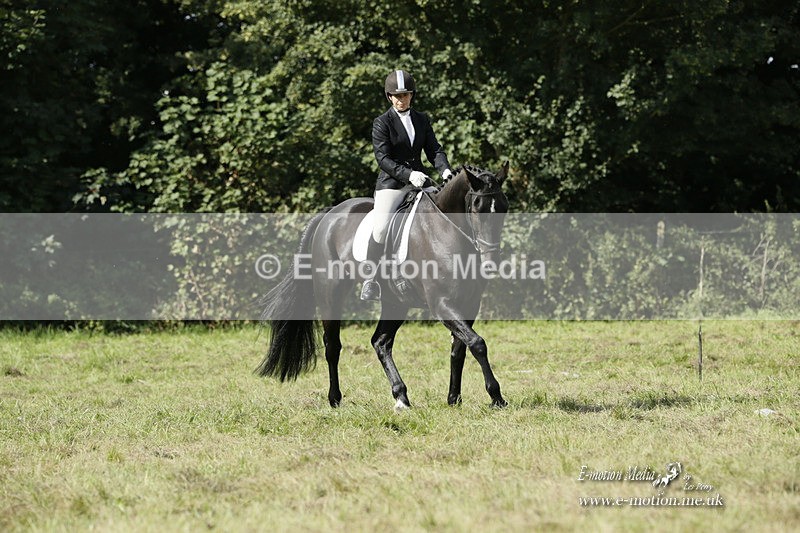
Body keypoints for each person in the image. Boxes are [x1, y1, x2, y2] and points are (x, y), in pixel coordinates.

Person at [361, 69, 454, 301]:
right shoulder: (382, 122)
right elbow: (383, 159)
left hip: (419, 182)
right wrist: (408, 174)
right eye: (396, 95)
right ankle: (370, 279)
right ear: (389, 97)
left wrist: (444, 169)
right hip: (392, 184)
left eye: (405, 95)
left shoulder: (422, 119)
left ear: (412, 96)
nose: (400, 100)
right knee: (381, 227)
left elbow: (434, 149)